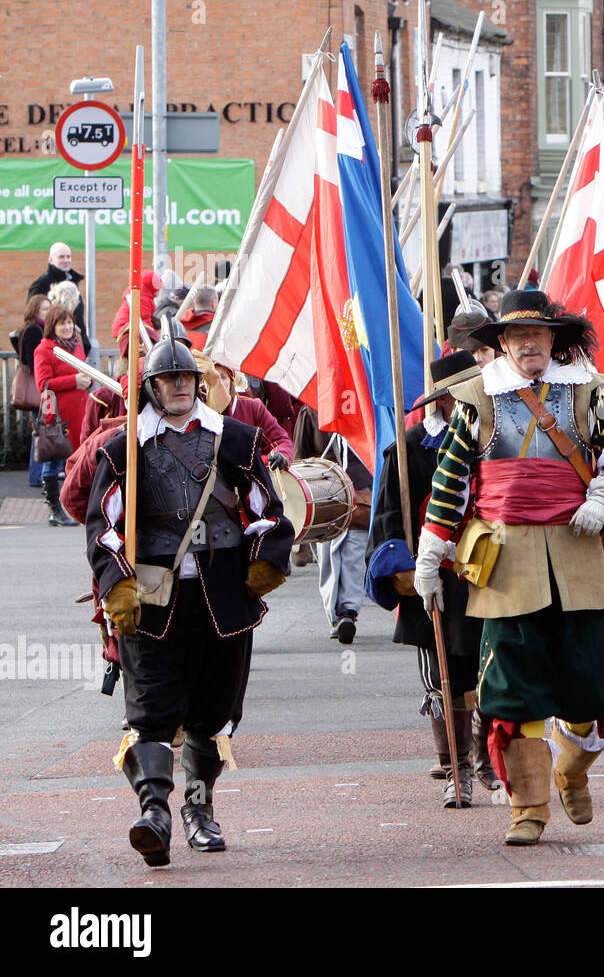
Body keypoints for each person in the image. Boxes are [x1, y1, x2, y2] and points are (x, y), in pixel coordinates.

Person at [413, 289, 604, 846]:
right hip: (506, 560)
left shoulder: (587, 392)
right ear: (504, 344)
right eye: (518, 337)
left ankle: (570, 766)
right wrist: (430, 551)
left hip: (576, 548)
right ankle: (528, 808)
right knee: (513, 692)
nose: (530, 345)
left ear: (554, 341)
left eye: (539, 336)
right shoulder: (476, 400)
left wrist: (602, 495)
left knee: (595, 688)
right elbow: (451, 481)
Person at [84, 329, 293, 866]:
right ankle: (153, 812)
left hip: (223, 599)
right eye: (167, 379)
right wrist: (118, 583)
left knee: (212, 713)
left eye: (186, 378)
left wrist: (266, 560)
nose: (178, 386)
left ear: (200, 383)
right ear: (151, 387)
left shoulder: (239, 439)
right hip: (151, 601)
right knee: (151, 712)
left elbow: (270, 510)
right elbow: (102, 528)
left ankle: (199, 811)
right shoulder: (122, 448)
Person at [368, 350, 495, 805]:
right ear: (443, 401)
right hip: (435, 580)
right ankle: (454, 769)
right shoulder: (406, 451)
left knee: (488, 673)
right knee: (444, 680)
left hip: (488, 573)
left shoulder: (493, 439)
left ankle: (485, 759)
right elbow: (387, 520)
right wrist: (408, 572)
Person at [294, 406, 368, 644]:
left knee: (354, 550)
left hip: (359, 487)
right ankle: (334, 614)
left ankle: (349, 611)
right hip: (323, 491)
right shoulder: (310, 411)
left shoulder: (361, 403)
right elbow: (300, 457)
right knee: (327, 554)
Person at [33, 305, 91, 526]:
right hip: (57, 414)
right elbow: (43, 383)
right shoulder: (44, 350)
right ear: (52, 326)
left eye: (69, 322)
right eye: (61, 323)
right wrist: (75, 381)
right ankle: (55, 510)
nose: (67, 327)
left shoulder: (76, 344)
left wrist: (88, 381)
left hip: (80, 411)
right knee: (54, 460)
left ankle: (73, 506)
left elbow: (84, 372)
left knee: (76, 461)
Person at [16, 294, 49, 487]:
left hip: (38, 388)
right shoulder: (34, 331)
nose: (48, 312)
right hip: (38, 389)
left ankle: (38, 474)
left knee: (40, 430)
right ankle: (36, 475)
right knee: (40, 431)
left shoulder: (34, 329)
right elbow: (32, 361)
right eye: (45, 309)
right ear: (35, 310)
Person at [28, 243, 87, 334]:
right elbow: (33, 315)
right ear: (51, 260)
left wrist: (84, 338)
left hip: (75, 337)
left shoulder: (73, 280)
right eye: (61, 257)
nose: (66, 260)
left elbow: (78, 315)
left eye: (68, 256)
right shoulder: (41, 284)